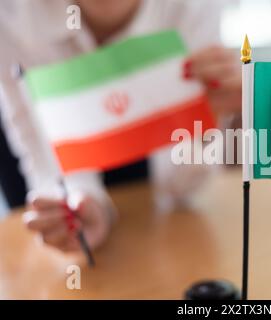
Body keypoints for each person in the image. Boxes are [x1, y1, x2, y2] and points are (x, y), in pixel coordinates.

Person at [0, 0, 241, 252]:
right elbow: (48, 158)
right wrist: (80, 204)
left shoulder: (195, 8)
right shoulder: (13, 15)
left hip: (155, 219)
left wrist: (202, 121)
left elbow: (179, 189)